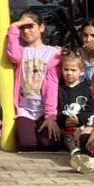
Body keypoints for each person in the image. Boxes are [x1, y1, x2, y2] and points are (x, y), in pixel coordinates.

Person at [6, 10, 61, 152]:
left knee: (49, 144)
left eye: (30, 26)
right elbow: (13, 55)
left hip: (44, 109)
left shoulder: (53, 53)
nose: (26, 30)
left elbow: (52, 86)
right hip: (25, 108)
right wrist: (14, 27)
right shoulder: (22, 51)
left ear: (41, 27)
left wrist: (50, 116)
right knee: (26, 144)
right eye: (22, 27)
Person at [57, 50, 93, 152]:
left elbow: (92, 111)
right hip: (64, 129)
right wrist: (64, 120)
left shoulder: (88, 89)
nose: (69, 73)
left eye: (73, 70)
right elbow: (56, 110)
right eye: (66, 69)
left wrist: (79, 119)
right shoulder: (58, 89)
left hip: (81, 127)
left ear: (82, 71)